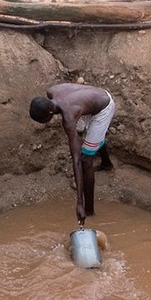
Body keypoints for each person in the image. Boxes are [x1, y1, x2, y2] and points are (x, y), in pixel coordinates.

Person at [29, 83, 116, 226]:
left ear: (50, 114)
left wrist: (79, 203)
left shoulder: (69, 118)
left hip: (104, 108)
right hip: (97, 96)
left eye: (43, 121)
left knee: (86, 159)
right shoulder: (52, 91)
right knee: (86, 133)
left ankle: (89, 211)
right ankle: (106, 163)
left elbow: (77, 160)